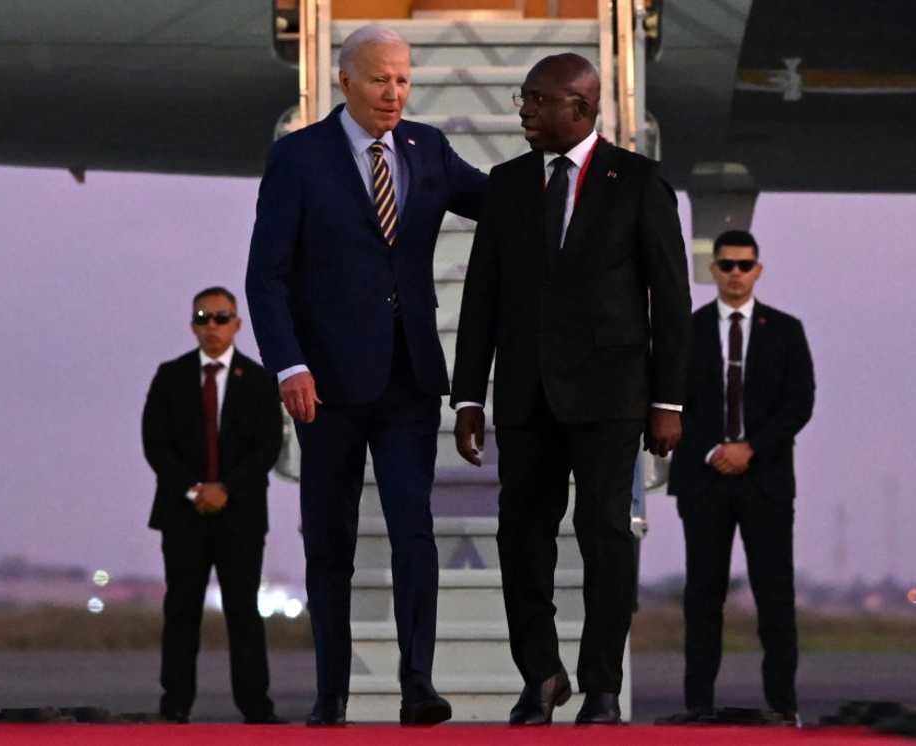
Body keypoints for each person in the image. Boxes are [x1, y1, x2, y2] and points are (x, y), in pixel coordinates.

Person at [245, 24, 487, 726]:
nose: (394, 93)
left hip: (409, 376)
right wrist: (288, 361)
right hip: (326, 384)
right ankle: (332, 695)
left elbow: (497, 202)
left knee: (415, 531)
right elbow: (267, 275)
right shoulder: (298, 158)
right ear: (346, 80)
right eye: (381, 79)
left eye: (404, 80)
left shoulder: (427, 148)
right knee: (331, 543)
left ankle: (419, 686)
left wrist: (570, 169)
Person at [450, 53, 692, 725]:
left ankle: (603, 684)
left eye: (536, 99)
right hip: (526, 395)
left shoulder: (638, 182)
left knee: (605, 531)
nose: (522, 110)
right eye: (521, 98)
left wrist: (669, 401)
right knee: (520, 536)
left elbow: (672, 299)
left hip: (612, 394)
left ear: (578, 109)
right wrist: (468, 394)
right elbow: (482, 298)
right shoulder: (507, 185)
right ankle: (543, 676)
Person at [667, 229, 815, 725]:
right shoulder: (687, 330)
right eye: (726, 264)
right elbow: (670, 401)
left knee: (774, 595)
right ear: (712, 270)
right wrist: (713, 450)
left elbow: (800, 403)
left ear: (758, 269)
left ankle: (782, 704)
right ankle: (698, 706)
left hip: (765, 479)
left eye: (743, 265)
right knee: (703, 596)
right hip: (704, 480)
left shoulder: (786, 330)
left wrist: (751, 448)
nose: (735, 273)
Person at [142, 286, 284, 724]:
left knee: (244, 611)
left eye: (221, 318)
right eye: (203, 318)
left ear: (237, 324)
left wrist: (225, 489)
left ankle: (256, 706)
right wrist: (195, 490)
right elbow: (155, 443)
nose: (212, 326)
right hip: (183, 515)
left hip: (239, 516)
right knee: (181, 610)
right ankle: (175, 704)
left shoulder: (259, 381)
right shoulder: (170, 376)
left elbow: (267, 447)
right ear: (192, 325)